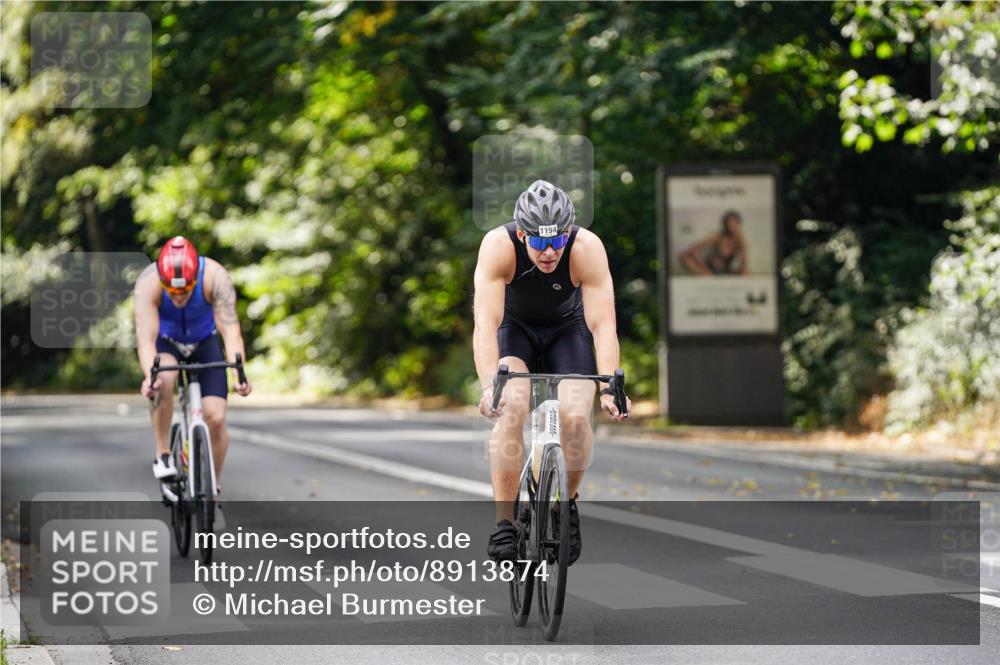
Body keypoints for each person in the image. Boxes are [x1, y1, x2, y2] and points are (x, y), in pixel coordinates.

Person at [473, 180, 631, 565]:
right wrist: (489, 386)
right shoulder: (499, 245)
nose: (548, 253)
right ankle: (505, 523)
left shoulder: (587, 248)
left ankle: (566, 508)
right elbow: (487, 325)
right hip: (516, 332)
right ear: (522, 233)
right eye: (539, 244)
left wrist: (610, 385)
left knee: (577, 415)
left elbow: (603, 325)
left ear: (568, 235)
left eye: (557, 242)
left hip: (567, 331)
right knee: (511, 405)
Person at [134, 236, 252, 526]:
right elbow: (146, 340)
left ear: (194, 279)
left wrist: (239, 372)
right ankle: (163, 453)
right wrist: (150, 375)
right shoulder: (148, 283)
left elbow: (230, 330)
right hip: (167, 342)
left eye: (185, 292)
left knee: (216, 417)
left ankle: (212, 493)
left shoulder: (215, 277)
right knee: (164, 377)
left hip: (203, 342)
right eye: (172, 293)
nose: (177, 298)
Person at [679, 210, 749, 276]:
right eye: (729, 224)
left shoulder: (740, 240)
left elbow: (744, 262)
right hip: (708, 270)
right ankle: (707, 275)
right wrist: (700, 263)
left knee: (745, 273)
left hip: (725, 271)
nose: (732, 227)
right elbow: (696, 247)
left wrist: (743, 272)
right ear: (725, 225)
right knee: (684, 257)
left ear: (738, 224)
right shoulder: (718, 236)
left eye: (734, 224)